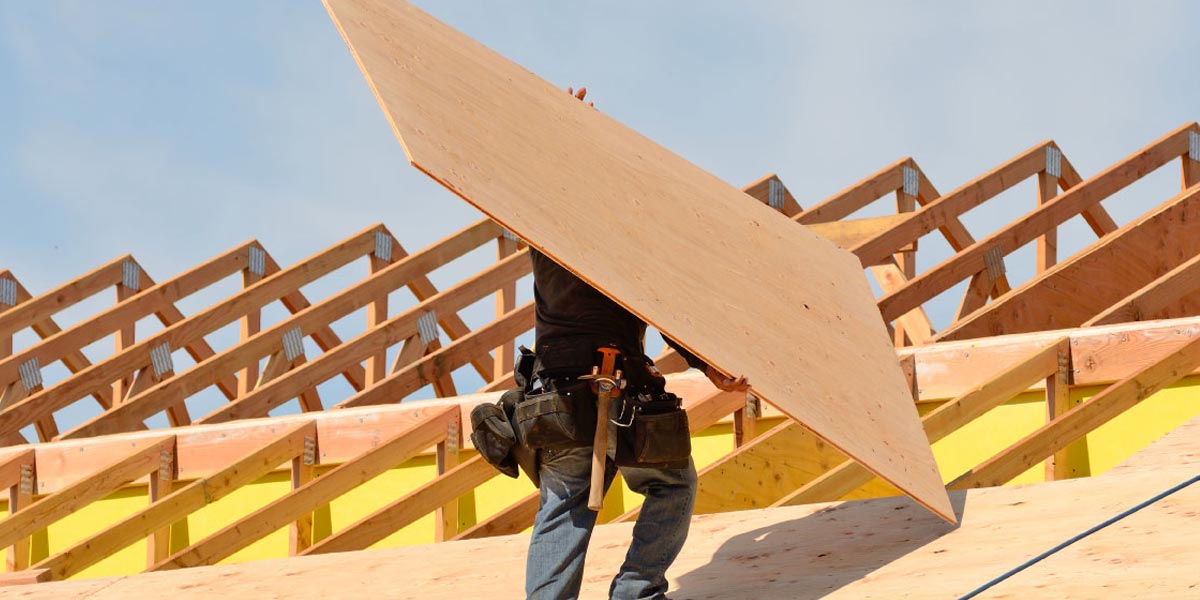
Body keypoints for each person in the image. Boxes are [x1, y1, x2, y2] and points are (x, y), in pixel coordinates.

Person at [524, 86, 749, 600]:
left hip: (557, 397)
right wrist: (709, 367)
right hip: (621, 389)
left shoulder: (540, 226)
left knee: (564, 506)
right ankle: (637, 591)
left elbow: (528, 174)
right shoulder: (622, 238)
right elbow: (665, 310)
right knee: (672, 484)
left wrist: (557, 129)